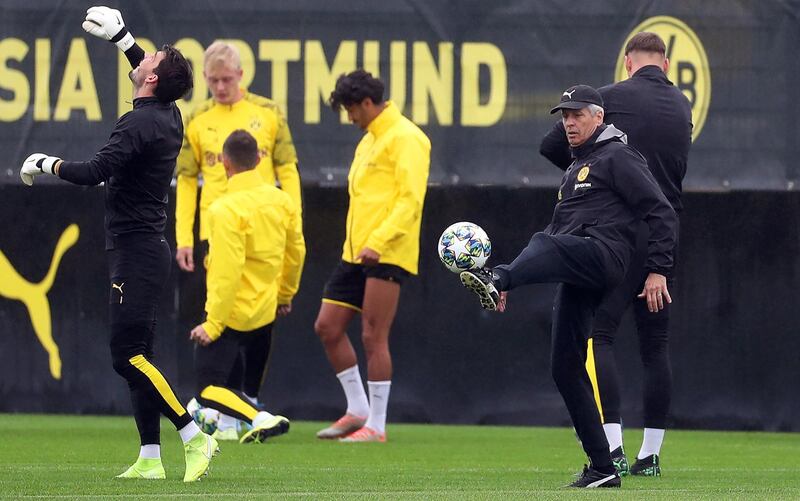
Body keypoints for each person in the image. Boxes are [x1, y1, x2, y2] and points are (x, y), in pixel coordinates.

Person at [19, 6, 217, 482]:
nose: (144, 55)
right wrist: (124, 38)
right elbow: (148, 76)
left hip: (136, 251)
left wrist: (44, 162)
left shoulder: (139, 124)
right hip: (142, 247)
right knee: (139, 357)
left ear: (150, 79)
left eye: (151, 57)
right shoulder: (167, 113)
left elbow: (92, 173)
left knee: (124, 356)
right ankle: (151, 458)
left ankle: (194, 436)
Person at [460, 85, 677, 488]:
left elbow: (661, 211)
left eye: (577, 114)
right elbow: (557, 234)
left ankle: (497, 277)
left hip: (606, 257)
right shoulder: (573, 171)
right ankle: (602, 468)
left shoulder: (618, 156)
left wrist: (658, 269)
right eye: (564, 116)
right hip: (580, 266)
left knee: (544, 244)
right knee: (564, 366)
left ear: (599, 117)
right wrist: (520, 274)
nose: (569, 122)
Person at [540, 32, 692, 477]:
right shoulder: (682, 106)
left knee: (599, 335)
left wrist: (589, 178)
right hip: (664, 229)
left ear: (627, 63)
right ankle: (651, 456)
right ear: (665, 64)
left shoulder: (606, 99)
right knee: (655, 344)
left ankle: (611, 447)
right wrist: (660, 266)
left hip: (618, 232)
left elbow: (552, 146)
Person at [175, 41, 302, 435]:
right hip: (216, 229)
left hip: (262, 225)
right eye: (212, 80)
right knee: (223, 317)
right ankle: (229, 410)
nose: (220, 87)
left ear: (241, 75)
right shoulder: (195, 117)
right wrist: (184, 236)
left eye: (226, 79)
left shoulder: (268, 113)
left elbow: (289, 169)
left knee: (253, 326)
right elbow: (185, 180)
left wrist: (292, 217)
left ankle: (239, 407)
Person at [314, 70, 430, 443]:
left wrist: (379, 240)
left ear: (367, 103)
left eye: (351, 110)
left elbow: (409, 200)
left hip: (388, 251)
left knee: (372, 336)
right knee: (327, 327)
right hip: (355, 253)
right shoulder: (368, 141)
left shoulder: (407, 138)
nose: (349, 118)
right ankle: (358, 409)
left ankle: (376, 426)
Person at [188, 129, 305, 444]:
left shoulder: (224, 209)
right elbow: (296, 253)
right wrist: (285, 294)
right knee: (240, 383)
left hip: (232, 314)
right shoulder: (283, 201)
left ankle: (260, 417)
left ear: (225, 164)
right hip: (266, 312)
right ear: (260, 159)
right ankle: (238, 423)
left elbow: (227, 271)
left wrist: (213, 324)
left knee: (207, 388)